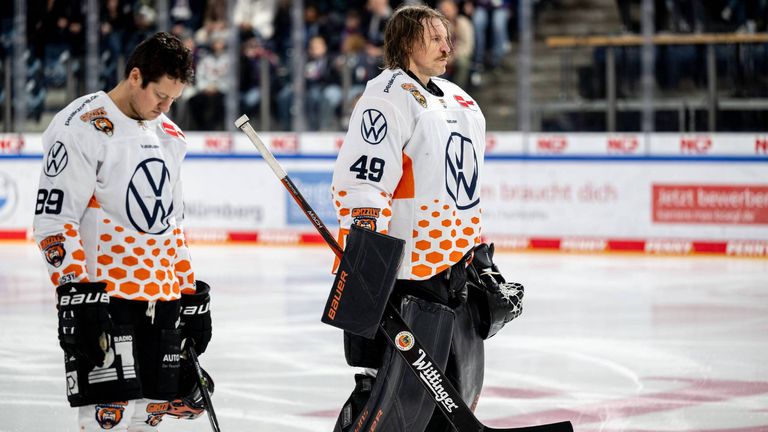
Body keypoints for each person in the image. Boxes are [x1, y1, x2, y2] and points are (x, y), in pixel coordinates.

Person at [330, 5, 522, 432]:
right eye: (434, 36)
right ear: (405, 42)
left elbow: (463, 192)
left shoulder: (461, 100)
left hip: (455, 269)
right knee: (391, 394)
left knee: (452, 390)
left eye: (447, 36)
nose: (446, 44)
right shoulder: (386, 98)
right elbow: (363, 184)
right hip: (405, 274)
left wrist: (478, 254)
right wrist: (367, 269)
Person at [32, 32, 212, 431]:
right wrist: (77, 294)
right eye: (160, 96)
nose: (166, 107)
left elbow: (171, 224)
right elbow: (53, 221)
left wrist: (188, 294)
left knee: (146, 420)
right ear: (135, 76)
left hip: (160, 299)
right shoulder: (80, 126)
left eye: (173, 100)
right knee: (106, 422)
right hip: (107, 300)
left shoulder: (169, 136)